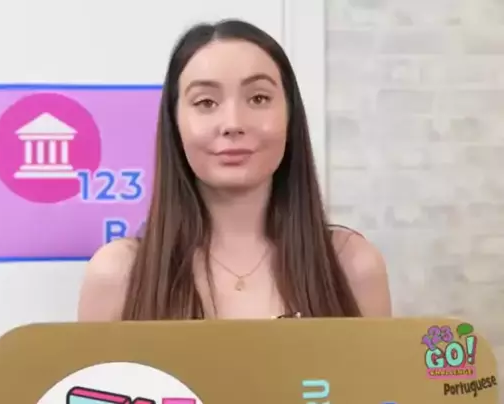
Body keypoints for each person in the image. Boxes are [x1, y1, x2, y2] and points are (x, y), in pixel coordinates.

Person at [78, 19, 391, 321]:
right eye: (206, 103)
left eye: (258, 98)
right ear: (174, 123)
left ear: (290, 115)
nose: (233, 124)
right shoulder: (118, 273)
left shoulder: (352, 265)